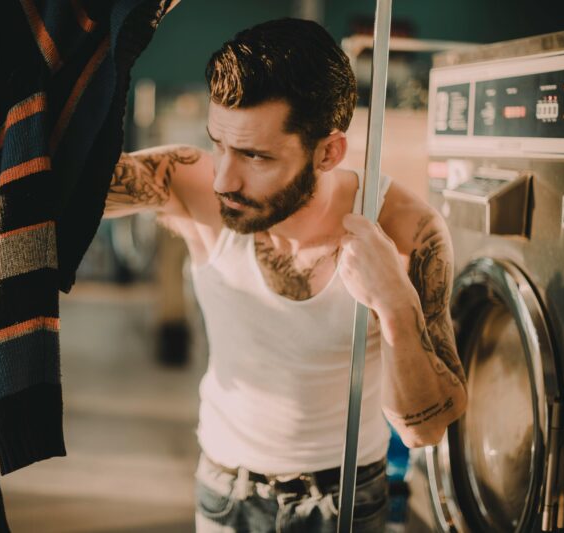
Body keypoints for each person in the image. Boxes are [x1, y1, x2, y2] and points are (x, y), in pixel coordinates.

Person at [104, 17, 468, 533]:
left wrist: (395, 304)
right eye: (219, 145)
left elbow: (425, 429)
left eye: (255, 155)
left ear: (328, 152)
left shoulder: (406, 231)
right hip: (226, 489)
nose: (225, 178)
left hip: (346, 496)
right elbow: (64, 192)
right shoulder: (195, 185)